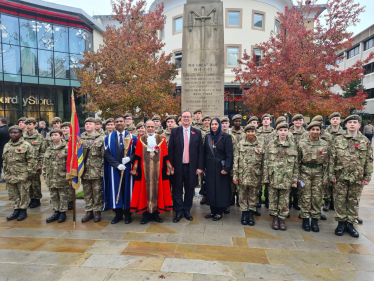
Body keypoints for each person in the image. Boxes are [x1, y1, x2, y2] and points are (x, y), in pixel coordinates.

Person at [329, 115, 373, 237]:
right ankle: (341, 224)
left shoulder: (365, 141)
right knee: (340, 200)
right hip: (340, 176)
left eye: (355, 122)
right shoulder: (338, 140)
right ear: (346, 125)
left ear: (359, 125)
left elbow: (369, 160)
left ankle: (351, 224)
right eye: (350, 122)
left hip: (357, 177)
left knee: (353, 201)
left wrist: (367, 176)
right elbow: (332, 159)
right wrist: (331, 174)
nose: (352, 124)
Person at [130, 120, 173, 224]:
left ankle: (156, 214)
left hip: (158, 171)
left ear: (155, 127)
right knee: (144, 193)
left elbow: (166, 155)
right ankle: (145, 215)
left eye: (152, 127)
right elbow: (137, 156)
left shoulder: (161, 139)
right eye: (148, 127)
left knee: (158, 192)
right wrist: (136, 170)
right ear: (145, 128)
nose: (150, 128)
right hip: (144, 172)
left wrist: (168, 168)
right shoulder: (141, 139)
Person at [168, 110, 204, 223]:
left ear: (191, 118)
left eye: (188, 117)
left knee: (189, 190)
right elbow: (171, 151)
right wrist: (171, 166)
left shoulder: (197, 132)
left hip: (192, 167)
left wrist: (199, 167)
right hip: (178, 166)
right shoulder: (175, 131)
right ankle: (178, 211)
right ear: (181, 118)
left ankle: (187, 210)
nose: (186, 119)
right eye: (184, 117)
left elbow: (200, 152)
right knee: (177, 189)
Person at [263, 123, 298, 231]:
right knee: (273, 199)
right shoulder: (271, 144)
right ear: (277, 131)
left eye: (285, 130)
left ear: (288, 132)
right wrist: (265, 178)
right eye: (281, 130)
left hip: (286, 178)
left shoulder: (292, 145)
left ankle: (282, 218)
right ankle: (274, 218)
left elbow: (296, 164)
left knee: (284, 200)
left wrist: (294, 179)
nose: (283, 132)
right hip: (274, 177)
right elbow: (266, 162)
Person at [103, 115, 137, 224]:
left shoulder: (132, 137)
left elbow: (137, 153)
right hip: (114, 169)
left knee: (127, 190)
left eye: (121, 121)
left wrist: (129, 158)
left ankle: (127, 214)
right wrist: (116, 165)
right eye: (117, 121)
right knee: (115, 190)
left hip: (128, 169)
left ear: (125, 122)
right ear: (114, 124)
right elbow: (106, 154)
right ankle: (118, 214)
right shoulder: (108, 138)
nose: (119, 123)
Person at [297, 121, 329, 232]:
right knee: (305, 196)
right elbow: (297, 161)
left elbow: (327, 162)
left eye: (317, 129)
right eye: (313, 129)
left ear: (320, 131)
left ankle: (315, 220)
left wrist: (325, 177)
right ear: (309, 130)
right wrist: (297, 176)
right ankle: (305, 219)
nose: (315, 132)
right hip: (304, 172)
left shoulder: (324, 144)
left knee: (317, 197)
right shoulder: (302, 143)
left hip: (318, 173)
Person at [233, 124, 264, 226]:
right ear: (245, 133)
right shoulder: (240, 144)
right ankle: (244, 213)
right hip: (243, 175)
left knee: (253, 195)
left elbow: (265, 162)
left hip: (256, 175)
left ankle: (250, 214)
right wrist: (235, 176)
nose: (250, 133)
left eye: (252, 131)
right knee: (242, 195)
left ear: (255, 132)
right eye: (248, 132)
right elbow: (236, 161)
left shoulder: (261, 144)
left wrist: (264, 178)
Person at [3, 125, 36, 221]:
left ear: (20, 133)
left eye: (15, 132)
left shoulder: (26, 145)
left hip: (22, 175)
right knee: (13, 194)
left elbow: (31, 161)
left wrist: (30, 174)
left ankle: (23, 211)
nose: (13, 134)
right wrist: (5, 172)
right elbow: (5, 160)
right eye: (11, 133)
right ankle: (16, 210)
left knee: (24, 194)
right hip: (10, 175)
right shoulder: (7, 145)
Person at [204, 118, 233, 221]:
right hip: (210, 168)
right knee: (211, 189)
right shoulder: (207, 137)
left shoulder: (226, 137)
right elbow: (205, 153)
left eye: (216, 124)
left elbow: (229, 154)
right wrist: (203, 167)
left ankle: (219, 212)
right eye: (212, 124)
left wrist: (227, 168)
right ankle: (212, 211)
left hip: (221, 167)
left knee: (220, 190)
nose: (214, 126)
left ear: (219, 125)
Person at [79, 118, 106, 223]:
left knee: (97, 192)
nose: (88, 126)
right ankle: (89, 211)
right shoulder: (80, 138)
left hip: (96, 171)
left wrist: (103, 171)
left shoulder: (101, 138)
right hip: (84, 170)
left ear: (95, 125)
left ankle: (97, 211)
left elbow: (104, 156)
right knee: (87, 192)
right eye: (86, 124)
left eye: (90, 124)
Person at [42, 128, 70, 223]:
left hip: (62, 177)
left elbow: (70, 164)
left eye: (55, 135)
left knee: (63, 196)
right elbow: (45, 164)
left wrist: (70, 177)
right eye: (52, 135)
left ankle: (63, 213)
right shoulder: (49, 148)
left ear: (61, 135)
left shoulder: (67, 148)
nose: (53, 137)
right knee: (54, 196)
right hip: (51, 177)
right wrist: (45, 176)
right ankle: (56, 212)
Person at [324, 112, 345, 212]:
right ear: (330, 120)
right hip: (327, 159)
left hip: (339, 161)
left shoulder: (345, 133)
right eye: (333, 119)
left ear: (340, 121)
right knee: (327, 181)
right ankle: (327, 201)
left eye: (337, 119)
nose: (335, 120)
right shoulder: (324, 133)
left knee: (338, 182)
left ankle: (335, 202)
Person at [23, 118, 45, 209]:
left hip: (35, 163)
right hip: (25, 163)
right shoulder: (23, 136)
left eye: (30, 124)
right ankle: (31, 198)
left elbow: (42, 151)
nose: (28, 126)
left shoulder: (39, 137)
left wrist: (40, 163)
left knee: (35, 182)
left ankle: (36, 199)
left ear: (35, 125)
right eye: (27, 124)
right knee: (27, 182)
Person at [288, 114, 306, 212]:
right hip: (290, 159)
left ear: (302, 121)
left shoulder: (306, 133)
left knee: (300, 181)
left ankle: (297, 200)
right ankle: (289, 201)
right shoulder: (288, 132)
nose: (298, 122)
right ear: (293, 122)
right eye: (296, 120)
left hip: (302, 160)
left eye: (300, 120)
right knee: (290, 180)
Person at [229, 114, 245, 207]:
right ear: (233, 122)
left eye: (239, 121)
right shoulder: (229, 133)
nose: (237, 122)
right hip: (232, 160)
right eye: (236, 121)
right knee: (231, 180)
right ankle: (231, 197)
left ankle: (239, 198)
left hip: (242, 160)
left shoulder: (244, 133)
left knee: (240, 180)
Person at [60, 122, 74, 210]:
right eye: (63, 128)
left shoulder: (72, 139)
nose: (64, 130)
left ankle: (71, 201)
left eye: (66, 128)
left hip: (71, 164)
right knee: (63, 184)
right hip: (61, 164)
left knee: (70, 184)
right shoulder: (60, 139)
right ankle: (63, 201)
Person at [0, 117, 10, 183]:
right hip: (11, 150)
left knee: (2, 164)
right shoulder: (10, 130)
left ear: (0, 122)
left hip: (1, 150)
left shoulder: (0, 130)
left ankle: (4, 177)